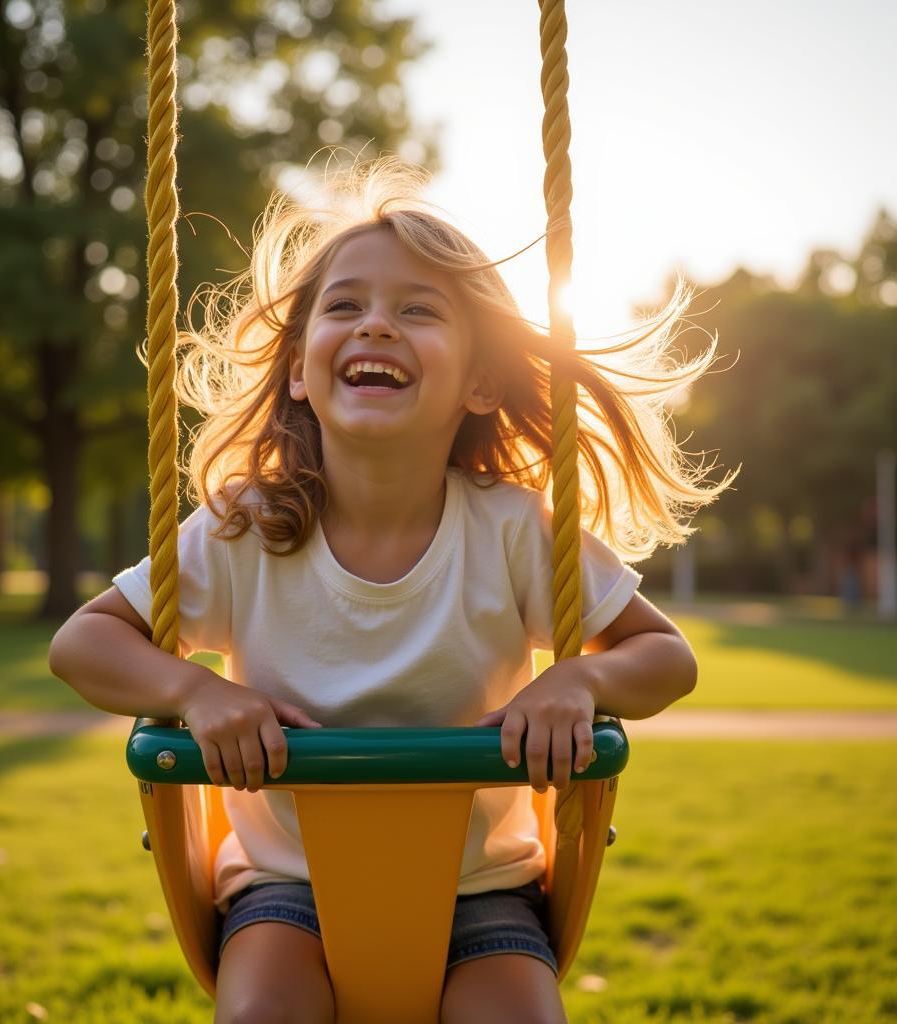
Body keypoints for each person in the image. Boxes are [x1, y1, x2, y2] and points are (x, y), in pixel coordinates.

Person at [49, 157, 732, 1024]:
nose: (376, 325)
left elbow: (667, 658)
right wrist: (194, 690)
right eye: (345, 306)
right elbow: (82, 643)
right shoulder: (244, 528)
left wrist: (581, 679)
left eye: (418, 310)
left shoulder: (516, 531)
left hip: (481, 894)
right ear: (299, 369)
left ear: (481, 382)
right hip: (285, 891)